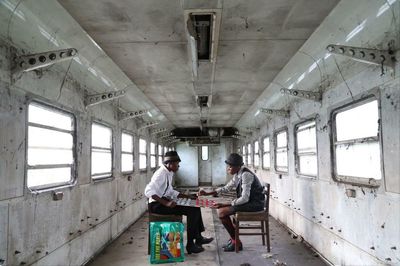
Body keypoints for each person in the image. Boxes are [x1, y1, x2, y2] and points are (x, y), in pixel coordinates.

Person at [145, 151, 213, 254]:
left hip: (163, 201)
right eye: (177, 164)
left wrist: (188, 196)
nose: (178, 166)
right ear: (169, 163)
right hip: (157, 205)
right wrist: (166, 203)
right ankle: (190, 245)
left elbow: (170, 191)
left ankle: (198, 238)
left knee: (195, 205)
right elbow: (148, 191)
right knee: (192, 211)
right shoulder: (160, 174)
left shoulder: (169, 172)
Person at [198, 153, 265, 252]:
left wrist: (225, 204)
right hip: (249, 202)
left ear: (238, 166)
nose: (228, 169)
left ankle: (236, 241)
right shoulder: (238, 174)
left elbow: (244, 199)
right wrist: (207, 193)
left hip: (255, 204)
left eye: (230, 166)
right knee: (221, 210)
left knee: (222, 212)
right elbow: (227, 188)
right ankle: (234, 239)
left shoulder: (246, 175)